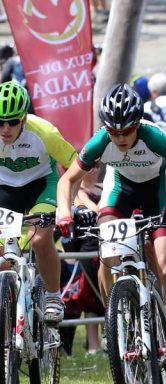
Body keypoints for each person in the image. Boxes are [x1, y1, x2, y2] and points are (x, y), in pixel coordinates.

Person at [56, 83, 166, 384]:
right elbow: (68, 179)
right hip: (120, 191)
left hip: (157, 192)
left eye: (126, 132)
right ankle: (118, 318)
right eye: (114, 132)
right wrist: (64, 212)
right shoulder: (101, 141)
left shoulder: (154, 137)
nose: (120, 138)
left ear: (137, 126)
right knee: (107, 253)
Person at [0, 82, 76, 324]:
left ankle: (53, 296)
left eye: (12, 122)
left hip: (42, 186)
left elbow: (75, 163)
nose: (5, 129)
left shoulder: (44, 132)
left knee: (40, 238)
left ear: (24, 118)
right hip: (5, 190)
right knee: (3, 258)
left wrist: (71, 204)